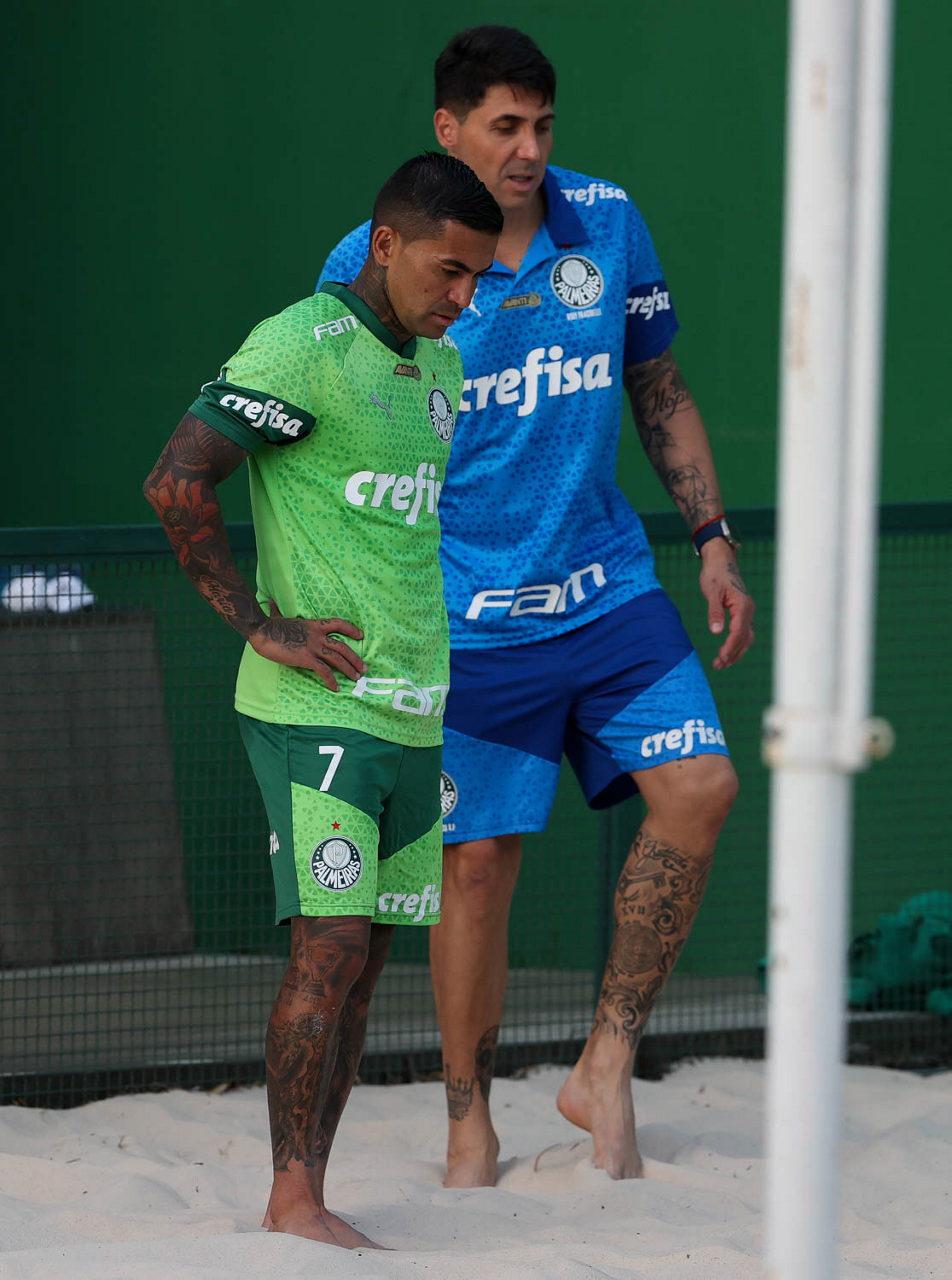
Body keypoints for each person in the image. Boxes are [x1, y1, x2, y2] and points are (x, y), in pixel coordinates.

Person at [318, 26, 756, 1187]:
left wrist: (712, 538)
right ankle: (467, 1122)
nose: (528, 149)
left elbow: (656, 383)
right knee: (475, 868)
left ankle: (604, 1060)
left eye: (542, 126)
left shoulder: (605, 221)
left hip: (606, 587)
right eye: (504, 126)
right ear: (447, 128)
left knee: (701, 787)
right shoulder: (372, 259)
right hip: (461, 614)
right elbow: (333, 439)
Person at [144, 152, 501, 1246]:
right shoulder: (301, 344)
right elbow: (175, 479)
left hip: (414, 708)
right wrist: (260, 623)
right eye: (447, 270)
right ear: (385, 245)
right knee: (329, 946)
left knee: (364, 966)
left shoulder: (441, 368)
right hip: (314, 708)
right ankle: (289, 1199)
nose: (462, 296)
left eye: (477, 276)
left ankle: (314, 1190)